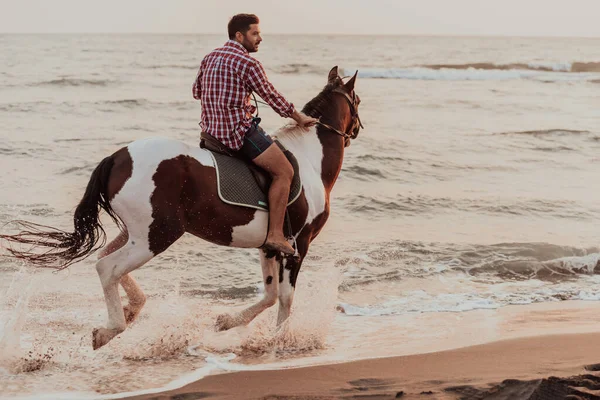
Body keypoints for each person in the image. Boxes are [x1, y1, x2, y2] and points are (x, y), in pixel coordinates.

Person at [193, 13, 317, 255]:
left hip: (209, 134)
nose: (260, 38)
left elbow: (197, 92)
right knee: (285, 171)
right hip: (237, 134)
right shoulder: (248, 64)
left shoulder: (209, 57)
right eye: (255, 33)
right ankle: (275, 235)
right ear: (239, 35)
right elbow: (271, 95)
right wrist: (299, 117)